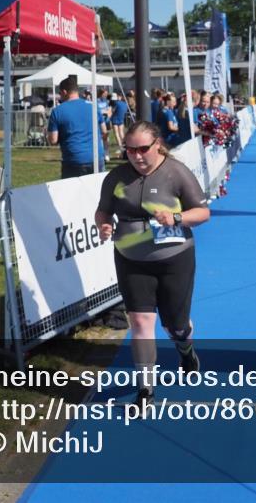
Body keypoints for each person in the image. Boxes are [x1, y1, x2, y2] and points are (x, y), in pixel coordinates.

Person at [95, 121, 211, 406]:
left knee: (175, 324)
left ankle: (185, 348)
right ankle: (146, 389)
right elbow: (102, 211)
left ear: (157, 144)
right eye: (130, 150)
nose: (136, 156)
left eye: (143, 149)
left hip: (174, 258)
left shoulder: (176, 172)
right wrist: (104, 225)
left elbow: (203, 212)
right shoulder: (116, 177)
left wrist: (177, 218)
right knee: (140, 321)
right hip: (130, 258)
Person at [47, 76, 105, 178]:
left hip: (74, 160)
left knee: (73, 193)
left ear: (64, 92)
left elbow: (53, 140)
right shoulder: (93, 106)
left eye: (60, 93)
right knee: (96, 192)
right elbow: (104, 130)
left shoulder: (57, 111)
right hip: (97, 158)